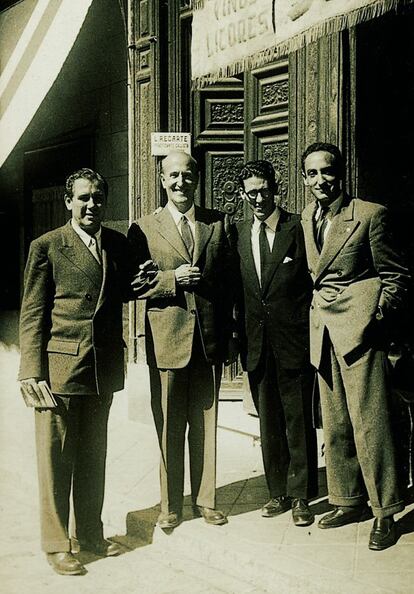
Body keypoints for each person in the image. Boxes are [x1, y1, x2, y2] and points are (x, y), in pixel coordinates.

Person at [300, 142, 410, 550]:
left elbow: (396, 276)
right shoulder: (307, 218)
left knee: (371, 423)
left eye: (327, 172)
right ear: (304, 179)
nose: (320, 181)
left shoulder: (368, 214)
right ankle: (348, 499)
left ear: (340, 173)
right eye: (311, 174)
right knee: (337, 421)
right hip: (323, 332)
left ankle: (386, 510)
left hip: (360, 333)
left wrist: (374, 316)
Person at [18, 168, 128, 575]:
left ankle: (92, 535)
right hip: (59, 369)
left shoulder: (115, 244)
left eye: (98, 197)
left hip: (100, 369)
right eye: (83, 198)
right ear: (68, 202)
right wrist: (31, 371)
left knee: (92, 456)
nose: (91, 205)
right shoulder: (47, 246)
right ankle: (56, 543)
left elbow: (136, 284)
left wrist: (166, 279)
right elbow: (32, 314)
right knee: (56, 460)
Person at [127, 150, 236, 530]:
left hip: (208, 341)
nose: (180, 183)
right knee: (170, 426)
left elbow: (229, 283)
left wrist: (230, 334)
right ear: (162, 180)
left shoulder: (218, 224)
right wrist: (174, 278)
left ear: (197, 178)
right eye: (172, 175)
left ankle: (206, 500)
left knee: (205, 424)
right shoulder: (142, 228)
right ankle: (170, 505)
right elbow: (135, 285)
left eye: (187, 175)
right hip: (168, 341)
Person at [231, 160, 318, 526]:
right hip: (257, 344)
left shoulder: (297, 228)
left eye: (264, 190)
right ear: (243, 194)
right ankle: (277, 492)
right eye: (251, 192)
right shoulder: (235, 233)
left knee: (298, 420)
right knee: (269, 421)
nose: (259, 198)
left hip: (293, 341)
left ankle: (301, 497)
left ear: (275, 187)